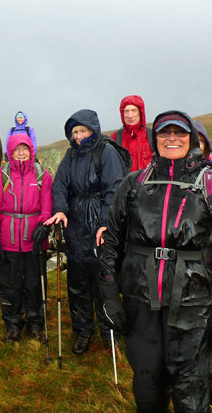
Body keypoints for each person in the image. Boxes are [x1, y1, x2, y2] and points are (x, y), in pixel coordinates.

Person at [99, 110, 212, 412]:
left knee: (191, 393)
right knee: (147, 390)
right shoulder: (133, 185)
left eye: (179, 133)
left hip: (195, 307)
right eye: (165, 133)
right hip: (141, 305)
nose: (172, 139)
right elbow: (111, 246)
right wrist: (111, 300)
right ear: (155, 140)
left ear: (191, 139)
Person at [45, 109, 127, 354]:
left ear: (93, 130)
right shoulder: (70, 156)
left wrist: (106, 222)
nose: (79, 136)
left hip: (101, 226)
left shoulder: (107, 152)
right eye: (75, 132)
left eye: (83, 130)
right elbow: (60, 185)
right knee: (78, 284)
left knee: (105, 283)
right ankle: (83, 331)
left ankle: (109, 331)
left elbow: (115, 189)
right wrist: (60, 209)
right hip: (76, 226)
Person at [0, 133, 53, 344]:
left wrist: (44, 225)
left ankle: (35, 324)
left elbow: (48, 204)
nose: (21, 153)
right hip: (8, 240)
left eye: (25, 148)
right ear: (10, 152)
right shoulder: (0, 175)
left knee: (34, 283)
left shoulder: (42, 175)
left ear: (31, 151)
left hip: (35, 240)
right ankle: (13, 324)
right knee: (10, 285)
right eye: (17, 149)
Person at [110, 95, 152, 172]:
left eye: (134, 110)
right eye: (126, 111)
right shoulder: (115, 137)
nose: (130, 116)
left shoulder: (153, 136)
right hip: (124, 183)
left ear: (140, 112)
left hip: (149, 183)